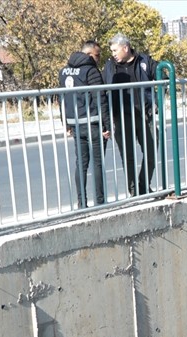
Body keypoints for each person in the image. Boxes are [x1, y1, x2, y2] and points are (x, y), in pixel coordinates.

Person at [103, 34, 158, 197]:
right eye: (111, 50)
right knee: (128, 157)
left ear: (125, 48)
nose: (113, 53)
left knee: (151, 151)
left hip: (144, 114)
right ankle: (134, 191)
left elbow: (162, 73)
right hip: (122, 117)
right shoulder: (110, 66)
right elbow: (103, 89)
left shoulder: (144, 61)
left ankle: (143, 185)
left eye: (115, 50)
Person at [59, 41, 110, 208]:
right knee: (97, 162)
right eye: (97, 55)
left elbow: (62, 99)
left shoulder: (64, 72)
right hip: (93, 123)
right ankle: (100, 202)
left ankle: (81, 203)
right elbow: (100, 98)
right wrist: (107, 125)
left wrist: (65, 122)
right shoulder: (91, 71)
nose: (99, 59)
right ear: (89, 55)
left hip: (75, 123)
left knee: (81, 163)